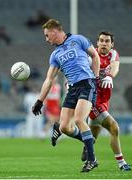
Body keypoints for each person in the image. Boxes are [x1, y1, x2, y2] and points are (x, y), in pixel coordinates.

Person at [51, 31, 131, 171]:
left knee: (90, 136)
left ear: (112, 45)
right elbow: (76, 69)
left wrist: (110, 76)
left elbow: (115, 67)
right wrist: (70, 82)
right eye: (101, 40)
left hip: (104, 100)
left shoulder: (113, 54)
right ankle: (121, 163)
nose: (104, 43)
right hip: (92, 98)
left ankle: (86, 147)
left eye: (107, 41)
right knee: (114, 127)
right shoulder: (89, 54)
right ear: (97, 42)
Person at [32, 19, 100, 172]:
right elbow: (49, 79)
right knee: (65, 127)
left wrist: (95, 78)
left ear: (54, 31)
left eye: (47, 35)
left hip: (86, 84)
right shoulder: (55, 54)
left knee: (78, 119)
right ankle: (88, 139)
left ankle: (92, 160)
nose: (46, 39)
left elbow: (95, 56)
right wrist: (39, 101)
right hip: (72, 89)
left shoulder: (78, 39)